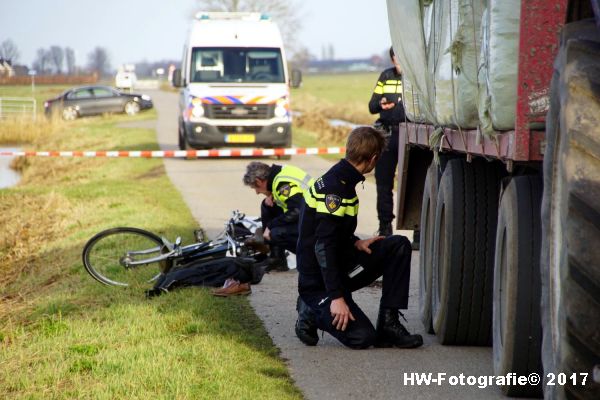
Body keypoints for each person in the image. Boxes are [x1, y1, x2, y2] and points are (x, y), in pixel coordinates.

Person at [294, 126, 423, 349]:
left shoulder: (343, 179)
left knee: (398, 245)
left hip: (339, 266)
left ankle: (388, 325)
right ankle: (310, 310)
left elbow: (331, 231)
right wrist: (336, 298)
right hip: (319, 282)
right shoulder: (334, 189)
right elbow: (323, 247)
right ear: (373, 159)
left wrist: (355, 241)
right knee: (362, 337)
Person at [368, 46, 420, 248]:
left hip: (412, 135)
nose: (399, 59)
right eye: (396, 55)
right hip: (388, 135)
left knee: (415, 182)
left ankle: (418, 231)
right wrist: (381, 104)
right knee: (383, 183)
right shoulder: (385, 76)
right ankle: (385, 228)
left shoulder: (416, 77)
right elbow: (371, 106)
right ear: (392, 58)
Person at [243, 161, 313, 271]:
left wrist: (270, 227)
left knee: (275, 233)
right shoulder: (279, 174)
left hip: (314, 223)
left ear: (259, 181)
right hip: (311, 215)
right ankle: (277, 258)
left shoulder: (282, 184)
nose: (257, 192)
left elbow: (297, 211)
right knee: (267, 205)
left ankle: (311, 258)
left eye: (255, 188)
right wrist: (273, 194)